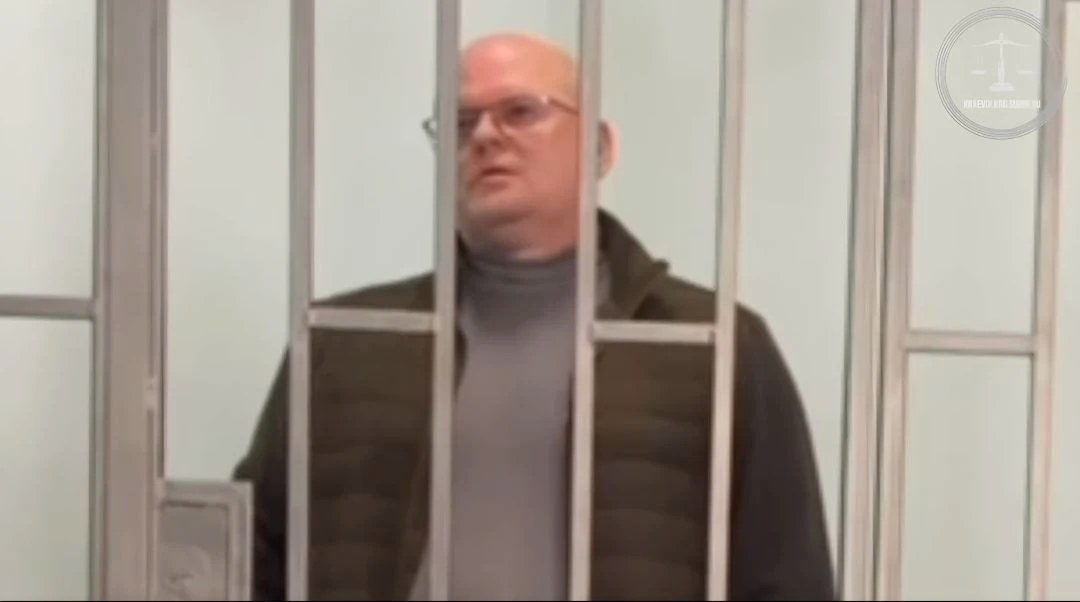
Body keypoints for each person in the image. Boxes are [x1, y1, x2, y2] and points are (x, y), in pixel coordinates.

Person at [234, 32, 835, 601]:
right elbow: (251, 558)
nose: (484, 136)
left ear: (600, 147)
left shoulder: (711, 344)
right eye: (461, 122)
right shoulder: (344, 341)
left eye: (521, 111)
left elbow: (786, 578)